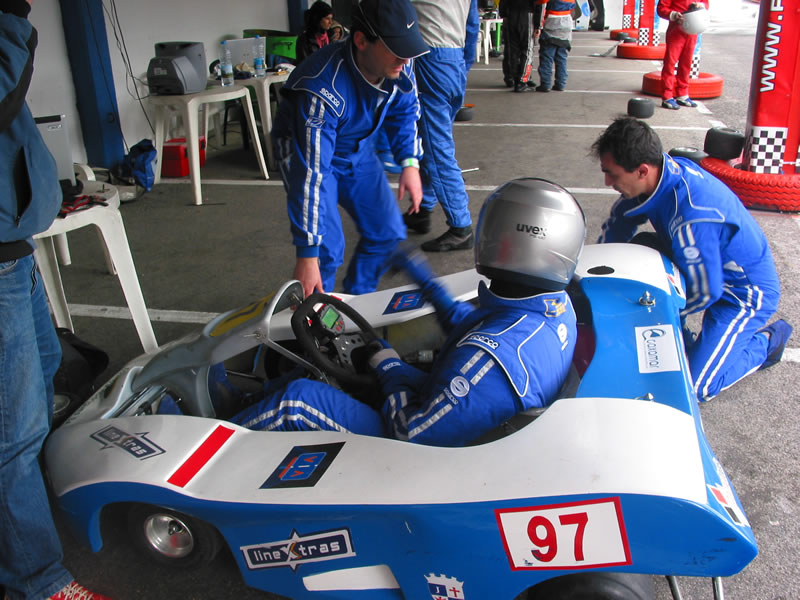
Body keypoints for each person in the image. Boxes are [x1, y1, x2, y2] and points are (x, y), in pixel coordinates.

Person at [230, 178, 585, 447]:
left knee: (296, 401)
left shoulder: (490, 362)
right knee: (322, 379)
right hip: (456, 416)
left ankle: (209, 454)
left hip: (423, 455)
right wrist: (422, 277)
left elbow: (410, 433)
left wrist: (390, 368)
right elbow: (472, 329)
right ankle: (242, 409)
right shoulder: (548, 308)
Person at [0, 1, 111, 599]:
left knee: (44, 377)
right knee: (12, 432)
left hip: (12, 248)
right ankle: (35, 581)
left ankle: (26, 521)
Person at [591, 117, 792, 401]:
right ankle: (685, 341)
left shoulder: (692, 216)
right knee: (641, 246)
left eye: (612, 174)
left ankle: (767, 344)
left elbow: (705, 292)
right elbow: (617, 225)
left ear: (641, 170)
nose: (608, 182)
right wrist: (595, 282)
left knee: (695, 389)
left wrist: (653, 317)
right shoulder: (658, 176)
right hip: (701, 265)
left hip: (742, 294)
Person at [272, 0, 427, 297]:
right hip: (307, 152)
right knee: (325, 251)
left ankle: (355, 303)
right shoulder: (322, 89)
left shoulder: (399, 62)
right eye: (396, 48)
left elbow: (405, 112)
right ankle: (314, 322)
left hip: (357, 147)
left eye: (408, 48)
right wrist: (306, 254)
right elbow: (311, 175)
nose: (405, 59)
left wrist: (409, 162)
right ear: (361, 41)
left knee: (387, 231)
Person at [401, 0, 480, 253]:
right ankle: (422, 210)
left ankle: (461, 227)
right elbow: (473, 24)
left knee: (436, 150)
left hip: (429, 58)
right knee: (429, 141)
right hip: (454, 59)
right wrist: (461, 67)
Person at [656, 0, 708, 110]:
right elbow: (661, 9)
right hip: (676, 30)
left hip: (692, 31)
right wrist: (674, 15)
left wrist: (701, 6)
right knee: (670, 64)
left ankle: (682, 94)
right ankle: (667, 96)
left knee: (686, 64)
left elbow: (705, 4)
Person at [535, 0, 575, 92]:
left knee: (547, 57)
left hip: (551, 25)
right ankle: (561, 84)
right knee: (561, 57)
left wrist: (538, 26)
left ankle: (545, 84)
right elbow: (574, 8)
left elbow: (541, 6)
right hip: (566, 26)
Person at [498, 0, 537, 92]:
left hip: (511, 16)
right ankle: (522, 80)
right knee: (527, 50)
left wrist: (504, 14)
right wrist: (538, 24)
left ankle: (514, 78)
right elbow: (538, 4)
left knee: (512, 51)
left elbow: (502, 3)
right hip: (526, 15)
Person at [294, 1, 335, 65]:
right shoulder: (304, 40)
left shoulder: (332, 36)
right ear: (317, 19)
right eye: (327, 18)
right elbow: (303, 66)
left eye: (331, 19)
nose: (330, 22)